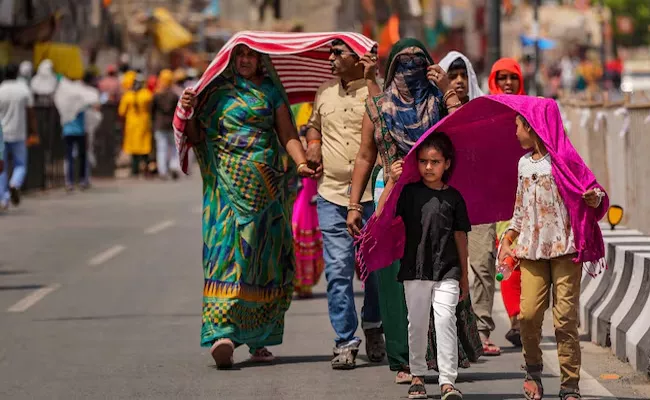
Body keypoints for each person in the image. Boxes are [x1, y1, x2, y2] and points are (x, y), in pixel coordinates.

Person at [178, 44, 315, 368]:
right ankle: (222, 332)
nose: (244, 61)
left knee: (263, 260)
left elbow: (288, 135)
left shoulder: (270, 92)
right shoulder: (214, 93)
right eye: (239, 55)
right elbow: (197, 137)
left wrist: (300, 163)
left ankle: (259, 338)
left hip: (266, 190)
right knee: (225, 256)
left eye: (251, 55)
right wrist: (190, 110)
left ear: (261, 60)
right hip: (225, 190)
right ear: (228, 59)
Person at [347, 39, 472, 383]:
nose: (411, 69)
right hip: (390, 196)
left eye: (419, 62)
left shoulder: (437, 101)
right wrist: (354, 205)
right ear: (392, 69)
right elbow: (364, 157)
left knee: (439, 273)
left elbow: (463, 128)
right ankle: (402, 360)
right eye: (404, 63)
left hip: (435, 201)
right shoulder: (378, 107)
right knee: (394, 279)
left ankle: (438, 355)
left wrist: (446, 87)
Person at [497, 104, 608, 400]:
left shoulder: (565, 160)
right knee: (530, 314)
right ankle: (533, 369)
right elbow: (520, 210)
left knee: (564, 319)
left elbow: (594, 192)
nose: (516, 132)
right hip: (531, 251)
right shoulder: (523, 165)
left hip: (565, 248)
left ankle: (569, 384)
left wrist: (593, 199)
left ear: (532, 128)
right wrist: (509, 235)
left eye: (518, 126)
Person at [304, 38, 386, 370]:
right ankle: (345, 340)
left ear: (358, 57)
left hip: (372, 196)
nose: (331, 58)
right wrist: (312, 142)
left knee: (376, 272)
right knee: (338, 271)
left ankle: (373, 325)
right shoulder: (323, 93)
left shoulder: (375, 91)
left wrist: (373, 80)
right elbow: (313, 125)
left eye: (339, 53)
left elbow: (388, 125)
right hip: (331, 194)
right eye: (330, 52)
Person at [393, 133, 469, 400]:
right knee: (417, 323)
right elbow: (383, 215)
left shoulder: (455, 198)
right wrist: (392, 181)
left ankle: (447, 381)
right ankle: (417, 375)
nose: (428, 167)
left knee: (446, 319)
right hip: (415, 269)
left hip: (448, 269)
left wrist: (464, 277)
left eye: (435, 161)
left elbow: (461, 237)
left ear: (447, 163)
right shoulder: (409, 192)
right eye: (423, 161)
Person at [490, 57, 526, 350]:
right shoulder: (486, 112)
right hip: (501, 200)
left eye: (512, 77)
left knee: (531, 261)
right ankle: (515, 319)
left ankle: (528, 317)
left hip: (533, 198)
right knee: (508, 257)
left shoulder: (532, 109)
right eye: (501, 77)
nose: (507, 83)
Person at [292, 102, 324, 299]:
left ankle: (305, 281)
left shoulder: (321, 104)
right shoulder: (294, 107)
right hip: (291, 172)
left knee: (309, 225)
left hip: (313, 176)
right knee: (295, 226)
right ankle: (296, 278)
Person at [0, 63, 36, 209]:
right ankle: (15, 183)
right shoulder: (23, 90)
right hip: (19, 133)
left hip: (2, 134)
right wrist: (34, 131)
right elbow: (31, 113)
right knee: (20, 164)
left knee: (2, 167)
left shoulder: (0, 90)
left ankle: (3, 198)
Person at [118, 74, 153, 177]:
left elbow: (121, 112)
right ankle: (146, 169)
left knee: (134, 148)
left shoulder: (127, 96)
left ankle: (135, 170)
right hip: (144, 123)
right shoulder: (147, 94)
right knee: (145, 147)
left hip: (132, 124)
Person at [151, 69, 180, 180]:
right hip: (172, 125)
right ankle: (173, 166)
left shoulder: (156, 95)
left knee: (161, 148)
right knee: (173, 148)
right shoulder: (174, 95)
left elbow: (152, 111)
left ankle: (162, 171)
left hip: (159, 125)